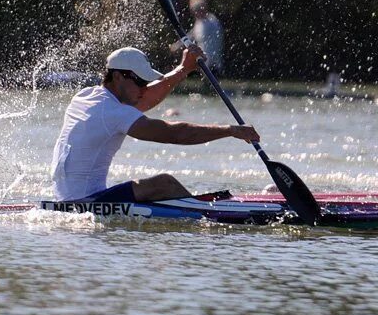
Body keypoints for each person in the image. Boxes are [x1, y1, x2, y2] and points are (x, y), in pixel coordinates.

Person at [50, 45, 259, 202]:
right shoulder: (113, 112)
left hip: (67, 199)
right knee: (164, 184)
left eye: (147, 83)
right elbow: (173, 134)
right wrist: (230, 130)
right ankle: (207, 217)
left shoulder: (86, 97)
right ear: (117, 77)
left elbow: (146, 98)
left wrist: (183, 69)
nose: (144, 89)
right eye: (140, 82)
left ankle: (195, 207)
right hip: (86, 203)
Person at [186, 0, 224, 74]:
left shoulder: (211, 22)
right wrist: (178, 44)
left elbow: (215, 43)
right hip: (203, 60)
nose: (195, 14)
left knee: (211, 82)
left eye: (196, 10)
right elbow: (192, 34)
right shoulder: (199, 22)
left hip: (211, 61)